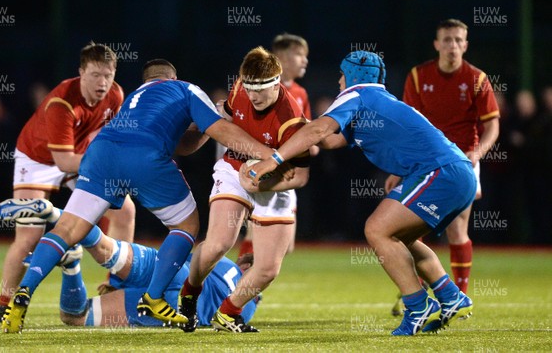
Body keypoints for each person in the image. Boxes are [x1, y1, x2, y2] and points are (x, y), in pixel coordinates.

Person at [0, 58, 274, 334]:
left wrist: (203, 129)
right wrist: (269, 155)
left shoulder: (133, 98)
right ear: (173, 76)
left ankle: (23, 292)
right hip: (144, 157)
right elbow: (222, 131)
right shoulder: (187, 88)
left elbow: (182, 144)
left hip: (101, 153)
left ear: (147, 81)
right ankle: (153, 297)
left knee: (68, 229)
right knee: (186, 227)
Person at [245, 51, 475, 336]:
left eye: (342, 75)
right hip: (454, 172)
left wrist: (271, 161)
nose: (339, 81)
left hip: (441, 172)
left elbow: (319, 130)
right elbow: (329, 140)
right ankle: (451, 297)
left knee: (377, 229)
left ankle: (417, 306)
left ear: (353, 76)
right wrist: (291, 125)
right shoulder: (376, 100)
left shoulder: (358, 94)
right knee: (401, 237)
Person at [0, 42, 137, 324]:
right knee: (29, 237)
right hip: (38, 159)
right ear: (81, 72)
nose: (102, 82)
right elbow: (64, 162)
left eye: (108, 74)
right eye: (95, 74)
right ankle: (4, 303)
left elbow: (108, 137)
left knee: (124, 210)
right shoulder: (62, 103)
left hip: (78, 154)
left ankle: (116, 284)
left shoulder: (116, 95)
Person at [179, 46, 310, 333]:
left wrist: (266, 181)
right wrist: (192, 138)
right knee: (218, 244)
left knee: (267, 269)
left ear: (277, 83)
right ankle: (189, 293)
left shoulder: (291, 121)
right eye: (249, 89)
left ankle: (228, 313)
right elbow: (223, 119)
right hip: (234, 168)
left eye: (260, 90)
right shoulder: (241, 88)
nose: (253, 96)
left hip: (273, 185)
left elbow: (300, 176)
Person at [0, 198, 258, 328]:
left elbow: (194, 255)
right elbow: (219, 319)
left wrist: (117, 281)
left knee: (103, 246)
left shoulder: (222, 260)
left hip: (169, 269)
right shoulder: (245, 307)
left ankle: (54, 213)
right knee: (75, 316)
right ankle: (71, 266)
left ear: (243, 262)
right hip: (174, 305)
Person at [388, 19, 500, 300]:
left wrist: (477, 154)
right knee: (412, 228)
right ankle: (418, 292)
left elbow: (492, 125)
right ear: (437, 44)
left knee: (457, 228)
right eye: (447, 39)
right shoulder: (418, 76)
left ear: (466, 45)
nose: (453, 45)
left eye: (458, 40)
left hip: (462, 160)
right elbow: (407, 123)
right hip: (425, 160)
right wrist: (398, 166)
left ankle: (458, 296)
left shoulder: (477, 78)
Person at [238, 33, 312, 258]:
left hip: (287, 173)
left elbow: (307, 136)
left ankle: (245, 276)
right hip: (260, 166)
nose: (305, 60)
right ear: (282, 57)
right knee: (255, 232)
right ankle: (242, 286)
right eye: (299, 54)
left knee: (285, 246)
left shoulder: (300, 93)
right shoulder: (256, 88)